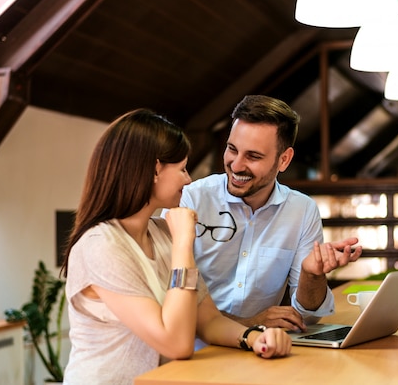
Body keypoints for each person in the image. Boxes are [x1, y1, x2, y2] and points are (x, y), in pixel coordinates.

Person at [60, 109, 291, 385]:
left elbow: (207, 321)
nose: (188, 179)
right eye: (182, 168)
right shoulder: (100, 246)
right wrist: (183, 243)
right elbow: (176, 344)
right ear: (155, 170)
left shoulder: (159, 233)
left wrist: (254, 337)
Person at [179, 95, 363, 332]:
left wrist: (311, 275)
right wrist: (248, 324)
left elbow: (308, 316)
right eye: (232, 149)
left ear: (284, 160)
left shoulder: (302, 210)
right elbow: (168, 297)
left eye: (253, 156)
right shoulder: (191, 198)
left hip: (261, 350)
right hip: (195, 349)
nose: (236, 165)